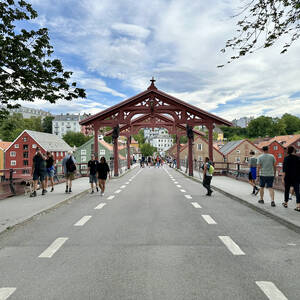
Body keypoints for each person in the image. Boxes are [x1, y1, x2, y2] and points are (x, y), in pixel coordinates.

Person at [282, 146, 300, 211]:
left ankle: (286, 203)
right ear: (293, 150)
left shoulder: (286, 158)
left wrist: (282, 178)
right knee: (297, 191)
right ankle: (298, 206)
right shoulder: (298, 158)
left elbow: (284, 170)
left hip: (288, 177)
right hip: (297, 177)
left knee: (286, 190)